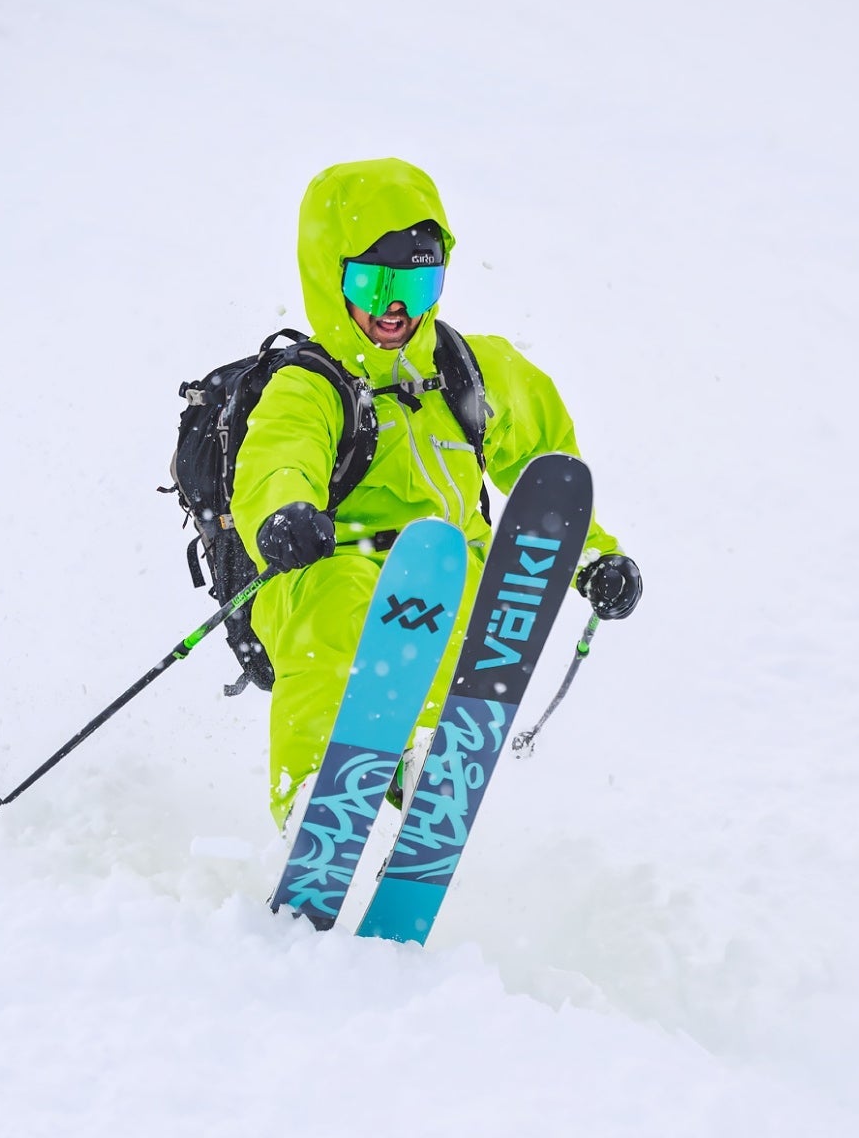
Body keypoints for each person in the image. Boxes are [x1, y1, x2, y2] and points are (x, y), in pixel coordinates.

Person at [231, 157, 641, 828]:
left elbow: (548, 468)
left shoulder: (469, 370)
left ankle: (422, 764)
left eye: (418, 284)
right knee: (337, 620)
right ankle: (315, 794)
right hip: (328, 563)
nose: (396, 306)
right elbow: (279, 455)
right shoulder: (311, 384)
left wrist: (593, 557)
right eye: (373, 280)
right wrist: (284, 513)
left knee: (468, 608)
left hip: (446, 561)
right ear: (329, 276)